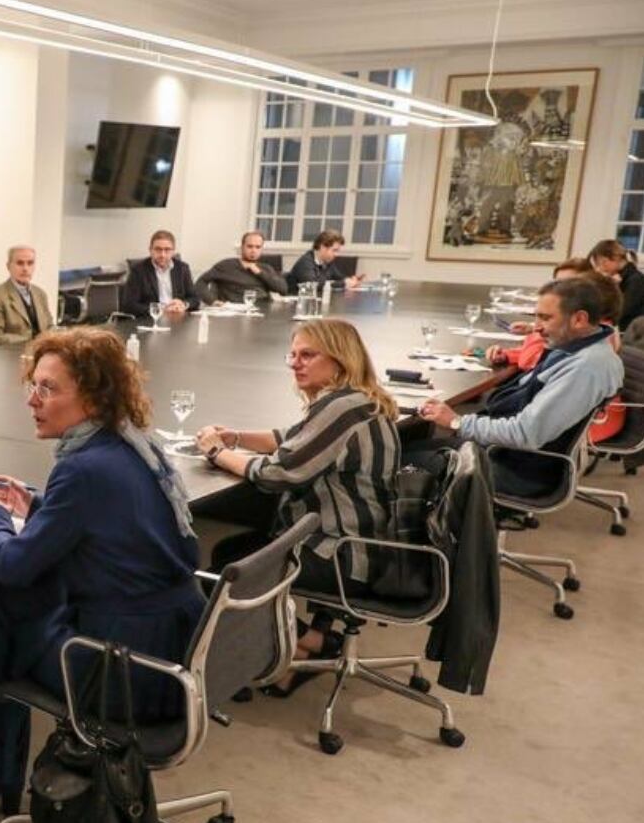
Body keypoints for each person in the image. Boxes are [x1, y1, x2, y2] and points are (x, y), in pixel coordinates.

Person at [0, 327, 205, 802]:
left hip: (129, 673)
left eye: (48, 388)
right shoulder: (132, 443)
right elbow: (113, 526)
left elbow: (11, 564)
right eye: (32, 385)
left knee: (5, 611)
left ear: (94, 397)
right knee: (5, 607)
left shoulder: (81, 469)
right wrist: (35, 504)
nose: (32, 399)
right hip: (176, 644)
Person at [194, 320, 399, 695]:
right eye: (293, 354)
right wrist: (235, 436)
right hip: (366, 543)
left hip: (343, 553)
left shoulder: (343, 408)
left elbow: (277, 473)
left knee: (222, 576)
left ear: (339, 361)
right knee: (229, 552)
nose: (295, 363)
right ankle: (296, 648)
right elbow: (291, 440)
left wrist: (216, 452)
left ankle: (307, 646)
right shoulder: (353, 400)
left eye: (308, 355)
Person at [419, 275, 624, 497]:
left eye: (545, 318)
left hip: (517, 469)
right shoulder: (577, 349)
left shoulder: (586, 367)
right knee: (413, 443)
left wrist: (457, 421)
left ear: (579, 319)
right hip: (506, 453)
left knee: (400, 458)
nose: (536, 328)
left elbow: (526, 434)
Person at [0, 245, 53, 345]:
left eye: (30, 263)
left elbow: (49, 326)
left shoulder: (40, 294)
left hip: (41, 353)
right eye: (20, 263)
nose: (25, 268)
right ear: (8, 266)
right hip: (11, 355)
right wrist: (32, 341)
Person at [119, 229, 198, 318]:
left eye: (167, 250)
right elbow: (129, 305)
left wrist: (184, 305)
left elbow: (195, 299)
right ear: (150, 250)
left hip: (177, 319)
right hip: (150, 321)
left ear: (173, 251)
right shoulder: (138, 271)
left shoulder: (182, 268)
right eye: (158, 249)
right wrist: (160, 309)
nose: (162, 254)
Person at [196, 230, 289, 304]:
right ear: (242, 247)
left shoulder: (265, 268)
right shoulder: (226, 265)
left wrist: (259, 272)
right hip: (235, 312)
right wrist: (212, 301)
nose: (253, 250)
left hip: (263, 310)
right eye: (250, 246)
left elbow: (283, 289)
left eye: (257, 247)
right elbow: (200, 282)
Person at [588, 238, 644, 331]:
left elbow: (619, 311)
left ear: (613, 259)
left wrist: (612, 287)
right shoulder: (624, 278)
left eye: (601, 263)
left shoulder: (636, 280)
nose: (599, 269)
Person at [286, 230, 364, 291]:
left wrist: (350, 280)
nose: (336, 254)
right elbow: (313, 286)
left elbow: (338, 277)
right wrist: (343, 284)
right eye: (334, 250)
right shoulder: (305, 263)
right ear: (323, 247)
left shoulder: (328, 262)